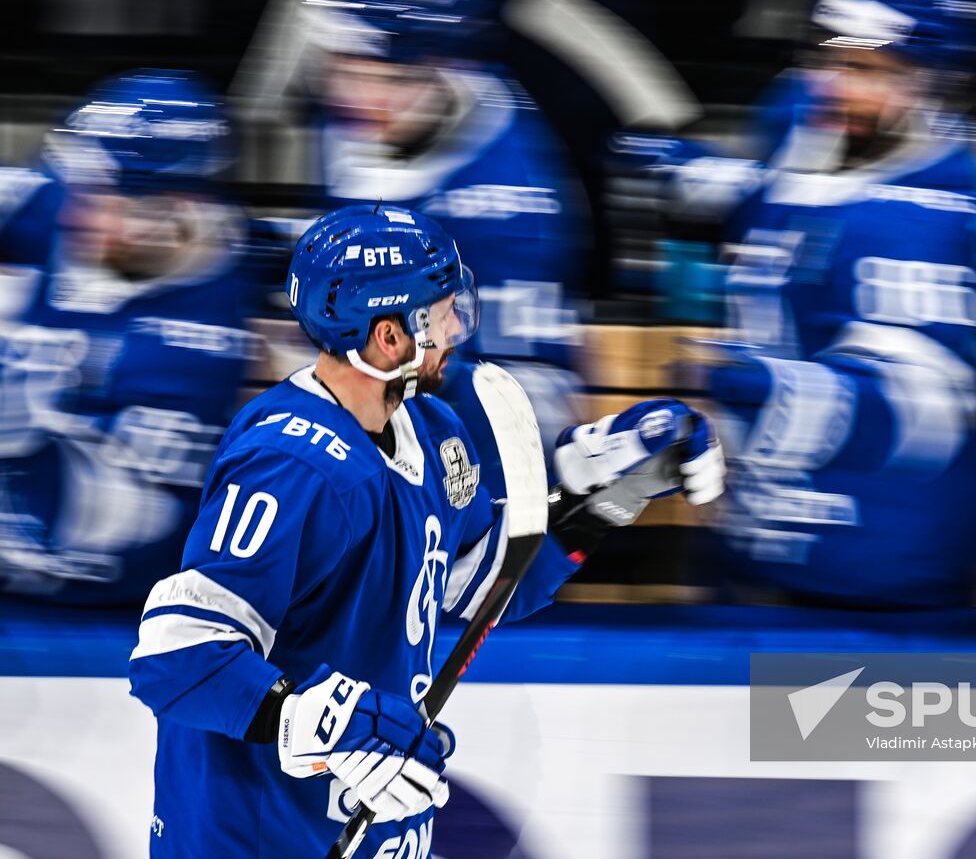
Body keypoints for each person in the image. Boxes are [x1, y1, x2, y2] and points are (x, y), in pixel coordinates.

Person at [127, 203, 723, 857]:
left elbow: (484, 588)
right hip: (253, 835)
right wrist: (315, 718)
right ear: (387, 337)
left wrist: (604, 496)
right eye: (438, 312)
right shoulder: (292, 462)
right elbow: (178, 656)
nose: (455, 325)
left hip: (361, 831)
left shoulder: (431, 432)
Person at [677, 0, 976, 607]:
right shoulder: (810, 129)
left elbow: (922, 414)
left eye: (868, 71)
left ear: (930, 84)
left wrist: (772, 390)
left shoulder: (923, 219)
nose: (834, 84)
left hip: (877, 561)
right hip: (760, 533)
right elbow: (790, 216)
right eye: (829, 59)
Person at [303, 0, 589, 460]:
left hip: (459, 460)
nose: (357, 97)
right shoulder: (360, 124)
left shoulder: (509, 206)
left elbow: (524, 403)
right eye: (344, 69)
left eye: (385, 76)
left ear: (447, 69)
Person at [0, 70, 254, 605]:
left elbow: (110, 542)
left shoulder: (195, 347)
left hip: (99, 614)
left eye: (105, 200)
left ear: (173, 212)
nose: (76, 210)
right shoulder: (58, 206)